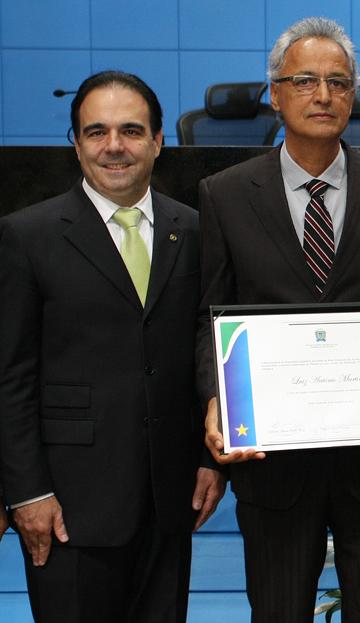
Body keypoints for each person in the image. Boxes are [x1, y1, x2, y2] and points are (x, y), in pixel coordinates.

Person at [195, 17, 360, 623]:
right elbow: (209, 318)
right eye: (304, 80)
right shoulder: (224, 195)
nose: (323, 95)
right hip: (274, 465)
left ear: (354, 96)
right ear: (274, 94)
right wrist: (216, 396)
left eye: (338, 82)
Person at [0, 70, 224, 623]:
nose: (114, 146)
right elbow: (10, 375)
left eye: (130, 129)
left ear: (158, 141)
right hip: (68, 506)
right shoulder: (26, 236)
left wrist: (208, 460)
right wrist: (26, 492)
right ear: (75, 144)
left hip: (171, 500)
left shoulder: (196, 231)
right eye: (96, 132)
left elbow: (206, 350)